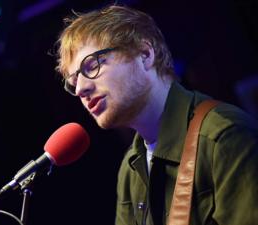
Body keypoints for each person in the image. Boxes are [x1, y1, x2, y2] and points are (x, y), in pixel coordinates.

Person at [54, 4, 258, 225]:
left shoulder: (224, 137)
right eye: (73, 83)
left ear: (145, 54)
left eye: (92, 66)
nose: (80, 89)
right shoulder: (130, 168)